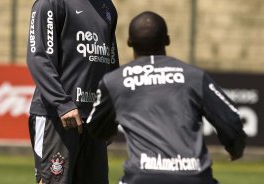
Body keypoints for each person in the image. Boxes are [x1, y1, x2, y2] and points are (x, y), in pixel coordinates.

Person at [86, 11, 246, 184]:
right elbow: (231, 120)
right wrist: (235, 148)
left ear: (129, 42)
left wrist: (109, 130)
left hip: (142, 177)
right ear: (167, 40)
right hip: (194, 177)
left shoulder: (115, 81)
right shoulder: (194, 76)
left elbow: (96, 127)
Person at [26, 0, 119, 183]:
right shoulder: (50, 3)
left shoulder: (107, 7)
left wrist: (109, 113)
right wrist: (62, 103)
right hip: (58, 117)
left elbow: (111, 62)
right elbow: (39, 57)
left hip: (93, 120)